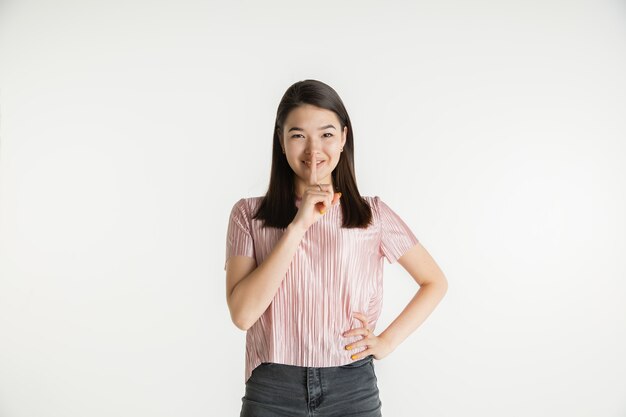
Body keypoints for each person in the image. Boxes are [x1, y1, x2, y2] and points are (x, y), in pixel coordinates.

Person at [224, 79, 448, 417]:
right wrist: (298, 226)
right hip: (272, 388)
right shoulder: (248, 215)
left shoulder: (372, 214)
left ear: (344, 137)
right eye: (298, 135)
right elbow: (242, 315)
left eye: (326, 134)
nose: (314, 150)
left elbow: (434, 282)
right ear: (281, 142)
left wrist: (385, 342)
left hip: (351, 387)